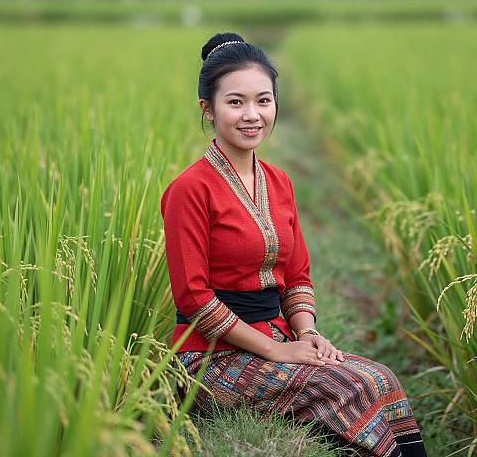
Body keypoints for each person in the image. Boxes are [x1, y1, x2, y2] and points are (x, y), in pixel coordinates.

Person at [160, 32, 428, 457]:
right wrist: (277, 350)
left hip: (277, 332)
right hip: (209, 357)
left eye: (263, 101)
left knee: (382, 380)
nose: (252, 115)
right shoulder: (189, 189)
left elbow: (297, 276)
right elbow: (192, 297)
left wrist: (308, 333)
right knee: (348, 388)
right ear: (207, 110)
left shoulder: (278, 181)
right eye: (236, 102)